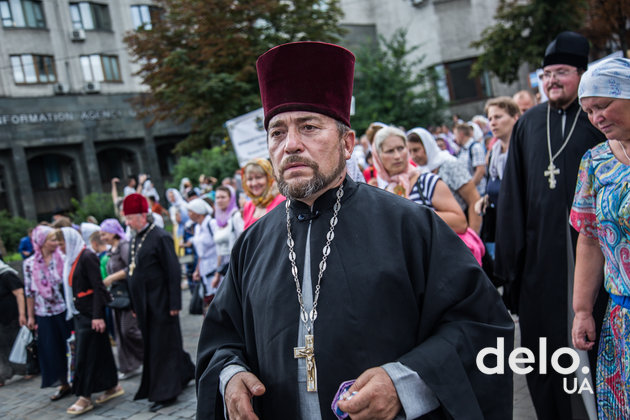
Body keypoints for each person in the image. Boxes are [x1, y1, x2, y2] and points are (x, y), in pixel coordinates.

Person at [196, 41, 513, 420]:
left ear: (347, 143)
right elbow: (221, 342)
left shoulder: (410, 225)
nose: (291, 145)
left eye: (309, 127)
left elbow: (481, 327)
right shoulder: (252, 243)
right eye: (277, 132)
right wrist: (230, 377)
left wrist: (405, 382)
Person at [495, 31, 608, 420]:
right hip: (539, 262)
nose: (552, 81)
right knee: (544, 355)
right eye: (546, 75)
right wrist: (509, 270)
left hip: (593, 256)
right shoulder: (527, 124)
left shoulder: (596, 118)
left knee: (596, 345)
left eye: (561, 72)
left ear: (581, 72)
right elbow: (511, 198)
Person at [570, 57, 630, 417]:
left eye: (603, 105)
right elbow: (590, 238)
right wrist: (582, 310)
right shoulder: (594, 163)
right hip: (622, 319)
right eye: (589, 111)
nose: (596, 118)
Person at [122, 193, 195, 412]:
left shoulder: (160, 236)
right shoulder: (136, 237)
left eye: (130, 217)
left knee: (164, 347)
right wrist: (134, 305)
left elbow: (173, 271)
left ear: (143, 216)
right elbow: (133, 272)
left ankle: (166, 392)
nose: (127, 222)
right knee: (156, 346)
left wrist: (175, 302)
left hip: (162, 303)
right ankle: (184, 371)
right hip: (144, 306)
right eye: (126, 218)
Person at [58, 227, 123, 416]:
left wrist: (97, 315)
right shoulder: (72, 259)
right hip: (81, 312)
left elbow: (97, 287)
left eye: (62, 244)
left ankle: (84, 396)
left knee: (84, 356)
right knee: (101, 351)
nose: (60, 248)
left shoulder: (86, 257)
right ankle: (112, 385)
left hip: (90, 314)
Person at [23, 225, 72, 401]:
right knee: (52, 350)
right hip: (43, 313)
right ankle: (63, 384)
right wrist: (30, 316)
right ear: (42, 242)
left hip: (64, 310)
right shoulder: (29, 264)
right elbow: (29, 292)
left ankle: (77, 379)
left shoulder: (63, 257)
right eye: (52, 239)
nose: (56, 243)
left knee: (71, 347)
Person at [407, 127, 482, 233]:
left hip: (462, 231)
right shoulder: (418, 172)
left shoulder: (449, 164)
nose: (413, 156)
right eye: (409, 151)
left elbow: (473, 199)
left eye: (416, 150)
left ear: (428, 146)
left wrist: (474, 236)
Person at [475, 97, 521, 258]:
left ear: (515, 117)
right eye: (490, 118)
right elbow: (496, 185)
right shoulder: (494, 152)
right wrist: (486, 198)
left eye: (498, 117)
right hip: (502, 227)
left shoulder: (523, 149)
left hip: (522, 228)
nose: (493, 123)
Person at [99, 218, 143, 381]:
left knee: (128, 330)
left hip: (127, 294)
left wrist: (111, 278)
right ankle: (129, 364)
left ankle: (149, 353)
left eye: (104, 234)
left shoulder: (124, 246)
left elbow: (131, 267)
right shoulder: (112, 249)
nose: (102, 237)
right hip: (117, 296)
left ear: (112, 232)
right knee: (120, 332)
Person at [209, 186, 243, 290]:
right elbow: (219, 250)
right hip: (224, 268)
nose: (219, 200)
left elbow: (243, 241)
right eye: (217, 197)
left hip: (236, 265)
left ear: (231, 198)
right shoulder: (217, 221)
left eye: (223, 197)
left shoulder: (235, 216)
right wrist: (217, 274)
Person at [187, 198, 218, 311]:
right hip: (204, 269)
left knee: (216, 298)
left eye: (190, 211)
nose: (188, 214)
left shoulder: (211, 224)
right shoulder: (197, 227)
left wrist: (218, 271)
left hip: (214, 268)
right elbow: (201, 252)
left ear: (197, 211)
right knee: (207, 300)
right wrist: (197, 269)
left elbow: (219, 247)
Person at [0, 258, 27, 387]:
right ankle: (4, 375)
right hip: (2, 319)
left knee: (19, 343)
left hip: (13, 316)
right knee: (3, 347)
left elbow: (20, 294)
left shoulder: (7, 274)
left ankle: (27, 368)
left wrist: (22, 314)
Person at [241, 158, 285, 230]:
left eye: (258, 177)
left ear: (269, 178)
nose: (254, 183)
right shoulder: (248, 206)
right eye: (249, 179)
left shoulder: (282, 201)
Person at [454, 123, 486, 196]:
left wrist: (469, 189)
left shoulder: (475, 147)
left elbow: (480, 171)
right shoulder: (462, 150)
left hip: (478, 193)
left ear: (461, 134)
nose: (454, 138)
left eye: (455, 135)